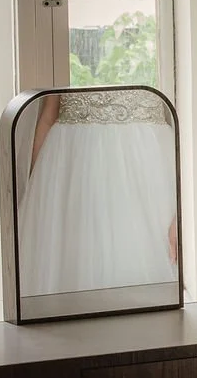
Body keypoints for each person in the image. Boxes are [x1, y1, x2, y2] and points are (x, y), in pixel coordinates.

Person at [16, 89, 179, 296]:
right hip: (73, 166)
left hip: (144, 166)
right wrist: (37, 191)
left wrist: (183, 212)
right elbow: (49, 115)